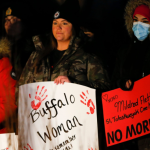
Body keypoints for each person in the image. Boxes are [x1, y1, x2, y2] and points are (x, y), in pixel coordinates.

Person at [16, 0, 110, 149]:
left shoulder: (87, 56)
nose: (58, 28)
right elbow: (20, 91)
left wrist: (75, 86)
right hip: (42, 135)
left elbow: (104, 90)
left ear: (74, 27)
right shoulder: (37, 55)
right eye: (55, 23)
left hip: (74, 135)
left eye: (64, 23)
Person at [112, 0, 150, 149]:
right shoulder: (123, 52)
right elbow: (113, 81)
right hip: (127, 126)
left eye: (144, 21)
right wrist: (122, 83)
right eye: (135, 20)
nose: (139, 25)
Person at [0, 3, 35, 133]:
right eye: (6, 21)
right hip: (10, 119)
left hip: (30, 110)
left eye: (14, 19)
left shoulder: (33, 47)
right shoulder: (3, 52)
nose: (9, 23)